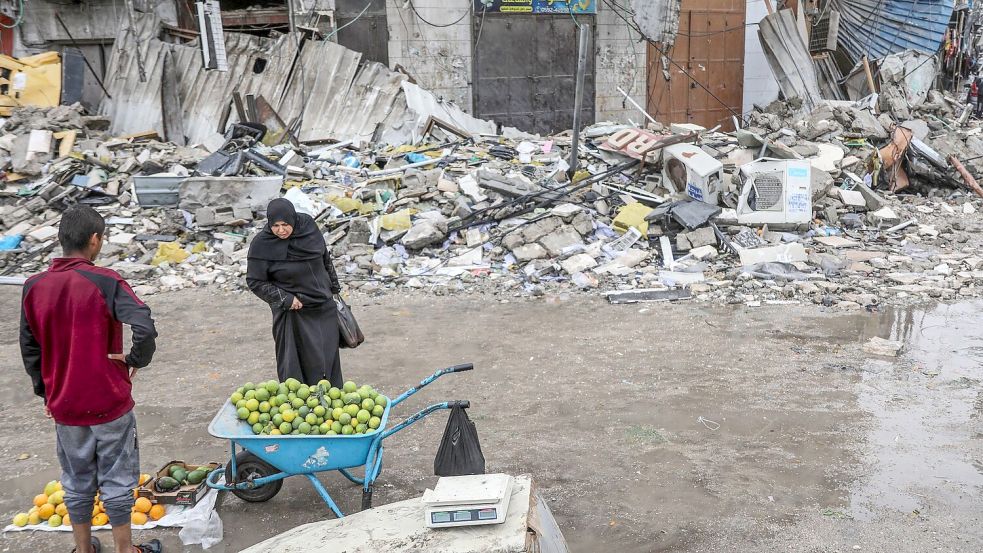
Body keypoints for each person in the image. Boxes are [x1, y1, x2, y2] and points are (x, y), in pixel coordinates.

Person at [20, 206, 160, 553]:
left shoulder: (33, 286)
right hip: (108, 400)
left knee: (76, 480)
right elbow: (144, 325)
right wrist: (134, 360)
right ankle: (125, 550)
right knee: (117, 477)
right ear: (94, 240)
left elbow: (30, 348)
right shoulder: (106, 280)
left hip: (65, 403)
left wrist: (47, 393)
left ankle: (84, 549)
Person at [247, 198, 344, 386]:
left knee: (326, 359)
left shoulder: (308, 227)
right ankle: (297, 407)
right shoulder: (261, 244)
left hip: (322, 307)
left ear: (293, 220)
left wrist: (334, 288)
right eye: (275, 225)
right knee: (294, 363)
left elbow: (325, 258)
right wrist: (285, 299)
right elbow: (255, 281)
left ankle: (330, 407)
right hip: (292, 313)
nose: (281, 230)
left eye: (285, 224)